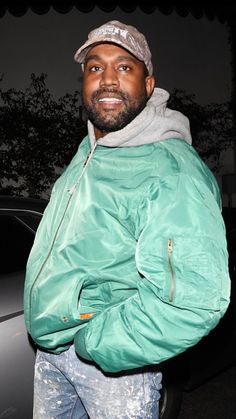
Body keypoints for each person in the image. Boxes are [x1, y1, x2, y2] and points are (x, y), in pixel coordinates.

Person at [24, 20, 231, 418]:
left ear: (149, 85)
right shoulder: (91, 149)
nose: (107, 80)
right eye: (95, 67)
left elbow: (195, 301)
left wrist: (97, 343)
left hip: (112, 369)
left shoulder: (171, 169)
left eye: (124, 67)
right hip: (52, 352)